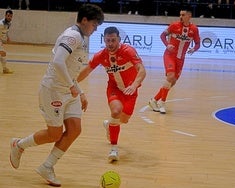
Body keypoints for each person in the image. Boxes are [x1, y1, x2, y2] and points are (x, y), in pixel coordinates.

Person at [9, 4, 104, 186]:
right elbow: (58, 62)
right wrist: (72, 86)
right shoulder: (72, 35)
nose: (95, 29)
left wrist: (80, 92)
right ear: (84, 20)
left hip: (69, 91)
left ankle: (47, 166)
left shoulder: (81, 37)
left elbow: (70, 70)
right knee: (54, 134)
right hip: (53, 90)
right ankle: (19, 145)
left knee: (75, 129)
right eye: (94, 24)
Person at [77, 26, 146, 163]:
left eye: (113, 40)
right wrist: (72, 83)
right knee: (116, 111)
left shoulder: (128, 51)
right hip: (114, 88)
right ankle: (114, 148)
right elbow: (87, 71)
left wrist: (134, 85)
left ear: (119, 39)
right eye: (108, 40)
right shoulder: (101, 55)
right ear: (104, 40)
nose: (110, 43)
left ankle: (109, 125)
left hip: (130, 90)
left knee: (124, 120)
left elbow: (142, 70)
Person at [148, 9, 200, 114]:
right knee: (170, 77)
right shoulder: (174, 25)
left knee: (173, 82)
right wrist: (167, 44)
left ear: (189, 15)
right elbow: (162, 35)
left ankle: (153, 100)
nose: (181, 16)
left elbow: (198, 43)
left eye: (183, 14)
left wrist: (193, 49)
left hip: (181, 59)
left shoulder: (194, 29)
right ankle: (162, 103)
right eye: (180, 14)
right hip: (169, 55)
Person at [0, 9, 14, 74]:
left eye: (11, 16)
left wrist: (7, 37)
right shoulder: (1, 23)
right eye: (8, 16)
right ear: (5, 15)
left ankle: (5, 69)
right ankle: (5, 69)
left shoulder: (9, 23)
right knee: (3, 53)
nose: (9, 17)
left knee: (2, 55)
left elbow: (6, 31)